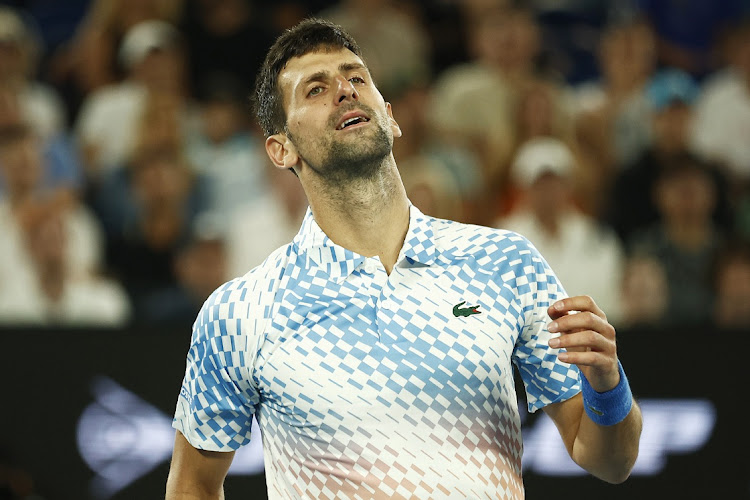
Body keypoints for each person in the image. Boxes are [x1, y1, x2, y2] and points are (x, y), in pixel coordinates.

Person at [166, 18, 642, 499]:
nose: (345, 91)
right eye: (315, 89)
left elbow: (610, 460)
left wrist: (607, 385)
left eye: (356, 78)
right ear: (281, 148)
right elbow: (192, 487)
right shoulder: (241, 311)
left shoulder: (506, 262)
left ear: (390, 116)